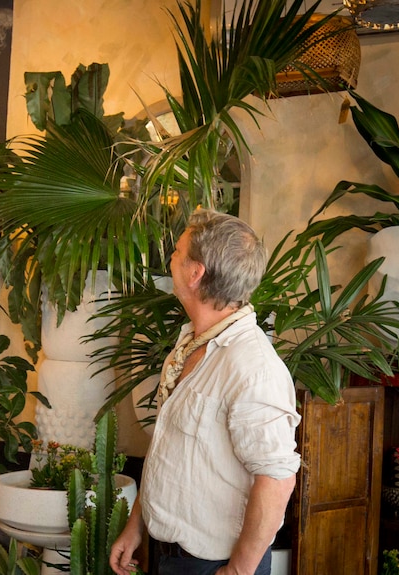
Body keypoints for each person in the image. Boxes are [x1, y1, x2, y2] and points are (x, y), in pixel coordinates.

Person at [109, 210, 301, 575]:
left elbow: (277, 480)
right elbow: (170, 449)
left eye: (178, 252)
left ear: (196, 273)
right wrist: (137, 526)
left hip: (215, 565)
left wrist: (238, 571)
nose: (171, 258)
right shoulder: (190, 343)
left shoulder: (254, 367)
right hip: (171, 554)